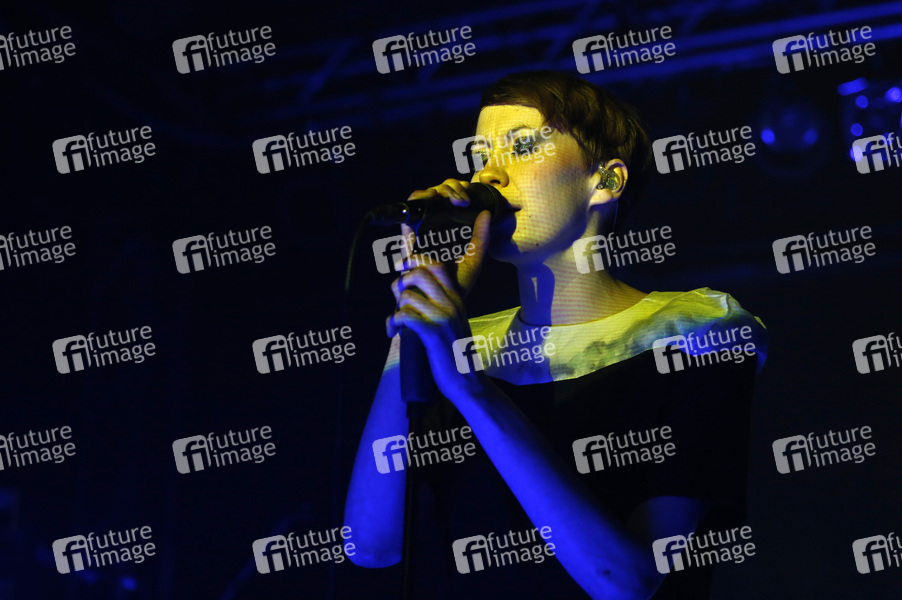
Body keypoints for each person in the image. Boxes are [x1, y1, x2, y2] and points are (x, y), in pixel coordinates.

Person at [344, 70, 766, 599]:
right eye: (479, 156)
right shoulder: (462, 343)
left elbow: (629, 582)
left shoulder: (692, 334)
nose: (489, 174)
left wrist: (470, 388)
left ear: (606, 181)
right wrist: (417, 313)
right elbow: (371, 544)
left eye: (523, 147)